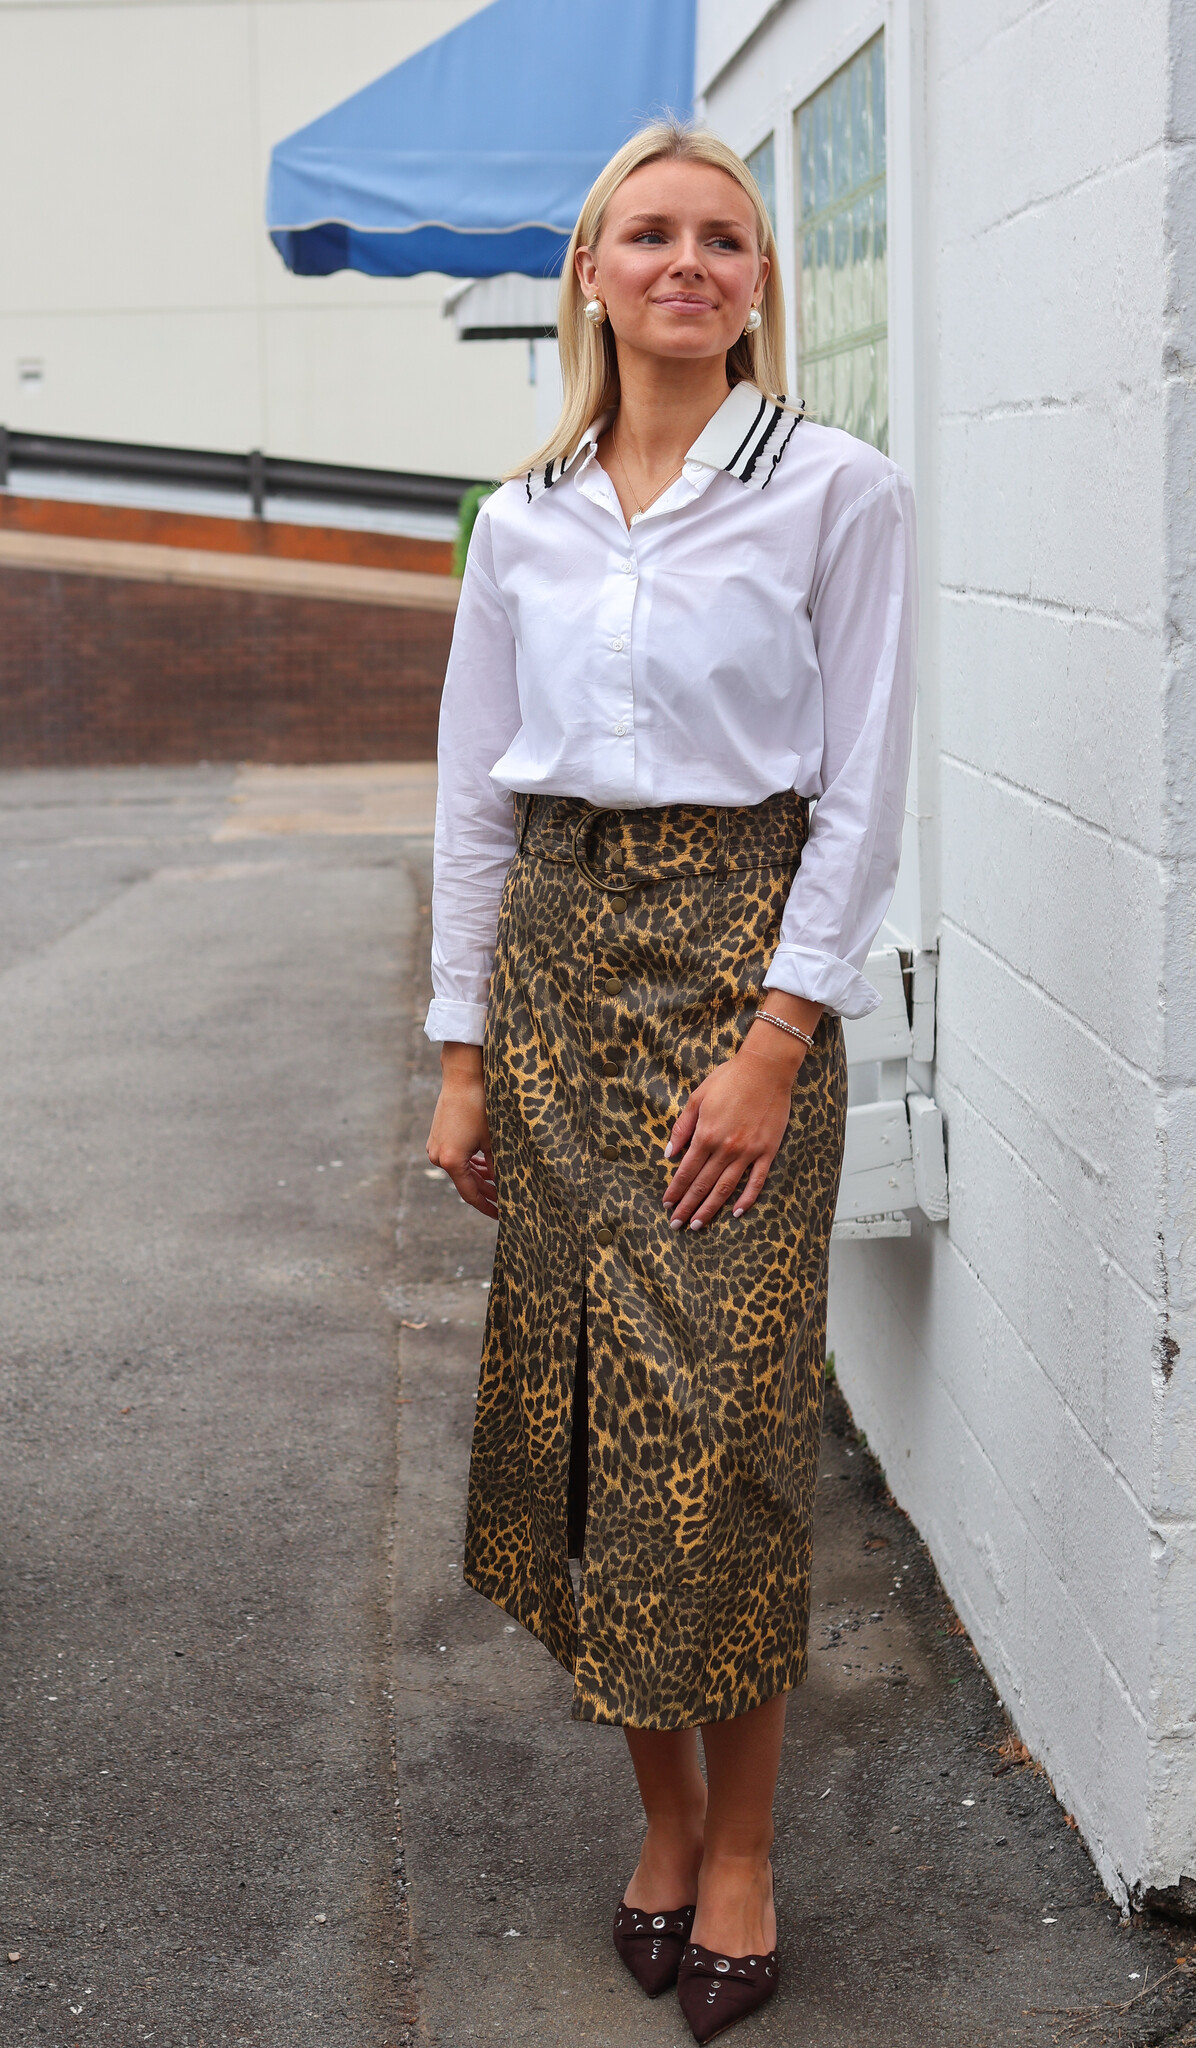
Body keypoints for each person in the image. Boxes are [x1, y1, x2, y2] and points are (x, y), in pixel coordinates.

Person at [424, 120, 917, 2042]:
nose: (688, 262)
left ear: (761, 280)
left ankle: (747, 1851)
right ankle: (664, 1818)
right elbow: (475, 802)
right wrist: (463, 1057)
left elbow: (861, 792)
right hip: (557, 985)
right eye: (650, 233)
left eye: (725, 236)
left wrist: (778, 1042)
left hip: (737, 989)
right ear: (592, 272)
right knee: (584, 1418)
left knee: (716, 1436)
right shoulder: (524, 517)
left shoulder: (837, 490)